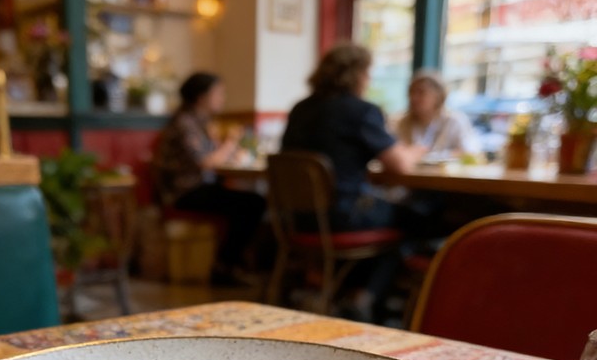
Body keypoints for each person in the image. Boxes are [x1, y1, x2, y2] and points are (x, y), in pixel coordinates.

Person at [279, 42, 425, 319]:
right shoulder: (361, 111)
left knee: (389, 213)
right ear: (357, 74)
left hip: (297, 218)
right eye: (367, 73)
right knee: (414, 218)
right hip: (341, 216)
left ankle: (348, 293)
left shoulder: (300, 109)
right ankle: (365, 297)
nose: (369, 80)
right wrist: (416, 151)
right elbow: (401, 165)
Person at [152, 72, 266, 284]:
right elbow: (205, 162)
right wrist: (231, 141)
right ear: (201, 97)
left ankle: (231, 265)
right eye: (218, 93)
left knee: (251, 201)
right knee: (253, 204)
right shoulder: (184, 123)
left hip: (198, 187)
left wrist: (229, 149)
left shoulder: (200, 122)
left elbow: (214, 157)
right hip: (183, 192)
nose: (222, 98)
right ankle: (224, 267)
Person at [394, 69, 480, 158]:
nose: (414, 98)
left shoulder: (455, 121)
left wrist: (438, 156)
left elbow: (469, 151)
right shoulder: (401, 123)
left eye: (421, 92)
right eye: (411, 92)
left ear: (438, 96)